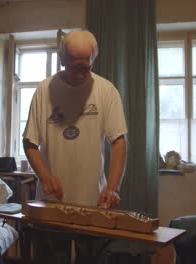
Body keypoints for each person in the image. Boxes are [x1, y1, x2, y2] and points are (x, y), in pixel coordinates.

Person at [22, 30, 128, 264]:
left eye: (86, 67)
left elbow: (119, 142)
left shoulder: (106, 91)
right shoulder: (44, 90)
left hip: (93, 204)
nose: (80, 74)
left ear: (92, 61)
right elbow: (29, 142)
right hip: (50, 204)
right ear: (62, 60)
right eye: (74, 67)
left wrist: (112, 187)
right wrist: (45, 176)